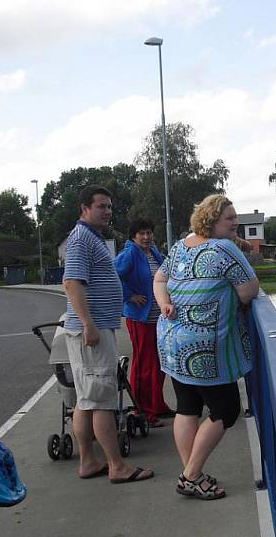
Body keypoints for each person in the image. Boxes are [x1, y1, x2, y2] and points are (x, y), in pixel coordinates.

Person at [154, 194, 259, 500]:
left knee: (187, 408)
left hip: (174, 343)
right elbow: (249, 290)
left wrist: (165, 304)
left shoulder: (181, 245)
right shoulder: (223, 248)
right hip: (206, 347)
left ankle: (194, 474)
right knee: (226, 409)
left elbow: (159, 279)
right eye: (230, 218)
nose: (235, 222)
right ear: (212, 220)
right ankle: (190, 476)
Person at [62, 185, 154, 484]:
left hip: (95, 327)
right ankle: (117, 466)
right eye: (101, 206)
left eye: (110, 206)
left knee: (86, 400)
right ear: (84, 208)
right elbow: (73, 282)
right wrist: (88, 323)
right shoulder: (80, 239)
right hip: (93, 330)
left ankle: (89, 461)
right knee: (102, 399)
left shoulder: (91, 238)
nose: (108, 211)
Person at [114, 218, 170, 427]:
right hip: (141, 318)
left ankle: (157, 405)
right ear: (133, 236)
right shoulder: (130, 254)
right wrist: (129, 295)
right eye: (142, 234)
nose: (146, 237)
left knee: (160, 363)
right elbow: (113, 275)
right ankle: (143, 411)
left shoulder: (153, 252)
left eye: (149, 233)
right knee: (144, 364)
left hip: (158, 318)